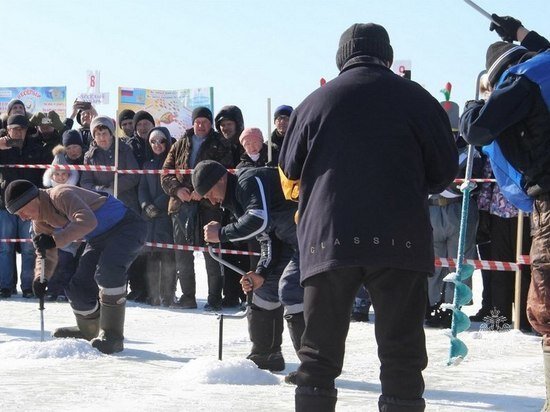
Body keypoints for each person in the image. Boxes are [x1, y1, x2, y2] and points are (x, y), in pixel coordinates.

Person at [278, 23, 458, 411]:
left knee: (318, 358)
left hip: (328, 238)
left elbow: (289, 169)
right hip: (400, 238)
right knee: (402, 356)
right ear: (387, 56)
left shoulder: (314, 102)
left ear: (342, 58)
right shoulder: (419, 100)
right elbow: (445, 171)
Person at [459, 14, 550, 409]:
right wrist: (517, 30)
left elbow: (478, 129)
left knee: (545, 310)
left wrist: (473, 104)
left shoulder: (520, 80)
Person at [4, 179, 147, 354]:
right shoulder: (39, 222)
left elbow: (87, 221)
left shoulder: (61, 195)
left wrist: (55, 240)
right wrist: (41, 278)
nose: (23, 217)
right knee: (78, 288)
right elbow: (45, 253)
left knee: (109, 272)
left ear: (33, 199)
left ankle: (113, 337)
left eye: (22, 211)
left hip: (127, 227)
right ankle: (88, 330)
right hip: (98, 238)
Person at [194, 160, 304, 373]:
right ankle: (266, 354)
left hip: (314, 238)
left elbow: (258, 220)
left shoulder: (249, 180)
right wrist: (262, 272)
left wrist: (222, 234)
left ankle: (313, 368)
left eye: (208, 192)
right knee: (263, 289)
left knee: (291, 289)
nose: (210, 200)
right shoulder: (236, 202)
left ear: (221, 178)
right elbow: (267, 238)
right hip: (292, 242)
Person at [161, 106, 233, 311]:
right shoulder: (179, 144)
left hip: (210, 204)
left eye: (205, 122)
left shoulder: (220, 144)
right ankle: (188, 297)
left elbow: (225, 174)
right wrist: (177, 190)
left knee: (212, 252)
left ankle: (214, 299)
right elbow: (165, 172)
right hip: (180, 205)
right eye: (198, 121)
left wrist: (202, 191)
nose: (201, 125)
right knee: (183, 254)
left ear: (211, 124)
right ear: (192, 123)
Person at [0, 115, 51, 298]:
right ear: (7, 130)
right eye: (14, 128)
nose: (18, 132)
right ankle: (5, 286)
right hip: (5, 206)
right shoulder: (2, 149)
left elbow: (45, 174)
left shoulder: (36, 149)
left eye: (21, 129)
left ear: (26, 130)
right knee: (5, 248)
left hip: (30, 206)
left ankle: (28, 286)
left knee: (30, 247)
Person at [138, 127, 177, 306]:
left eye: (161, 141)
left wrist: (158, 205)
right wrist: (146, 205)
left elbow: (171, 188)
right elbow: (142, 188)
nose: (157, 145)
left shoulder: (173, 163)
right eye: (153, 141)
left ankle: (168, 294)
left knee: (168, 256)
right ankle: (153, 294)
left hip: (166, 215)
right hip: (149, 217)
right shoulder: (147, 164)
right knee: (151, 256)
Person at [41, 145, 81, 301]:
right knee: (53, 265)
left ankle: (64, 290)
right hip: (52, 237)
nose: (60, 177)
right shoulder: (46, 194)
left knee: (66, 265)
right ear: (52, 176)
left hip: (69, 238)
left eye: (64, 174)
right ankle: (51, 290)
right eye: (57, 174)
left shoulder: (74, 192)